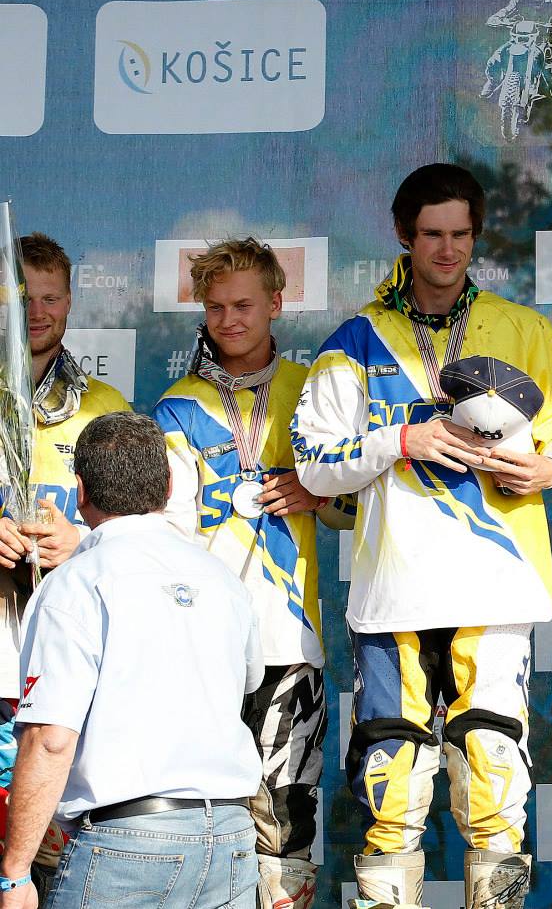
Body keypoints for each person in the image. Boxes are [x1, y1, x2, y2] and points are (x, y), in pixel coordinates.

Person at [293, 163, 552, 909]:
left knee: (494, 766)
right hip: (395, 590)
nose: (447, 250)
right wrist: (400, 440)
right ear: (403, 235)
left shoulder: (523, 328)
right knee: (391, 774)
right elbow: (315, 466)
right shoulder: (355, 341)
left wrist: (547, 469)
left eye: (460, 235)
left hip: (496, 585)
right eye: (432, 235)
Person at [0, 411, 261, 909]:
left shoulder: (75, 583)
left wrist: (14, 874)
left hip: (127, 845)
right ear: (167, 487)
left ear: (79, 492)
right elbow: (247, 685)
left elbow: (51, 740)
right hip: (231, 839)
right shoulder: (222, 578)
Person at [154, 239, 331, 909]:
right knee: (206, 812)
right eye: (217, 306)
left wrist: (320, 491)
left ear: (276, 304)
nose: (230, 319)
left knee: (288, 814)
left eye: (244, 305)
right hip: (207, 646)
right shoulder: (176, 407)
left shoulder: (313, 390)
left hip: (291, 643)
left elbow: (351, 504)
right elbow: (167, 532)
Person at [0, 235, 127, 885]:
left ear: (72, 301)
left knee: (57, 862)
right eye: (24, 298)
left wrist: (85, 543)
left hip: (66, 661)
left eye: (51, 297)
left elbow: (142, 534)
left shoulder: (107, 407)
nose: (38, 311)